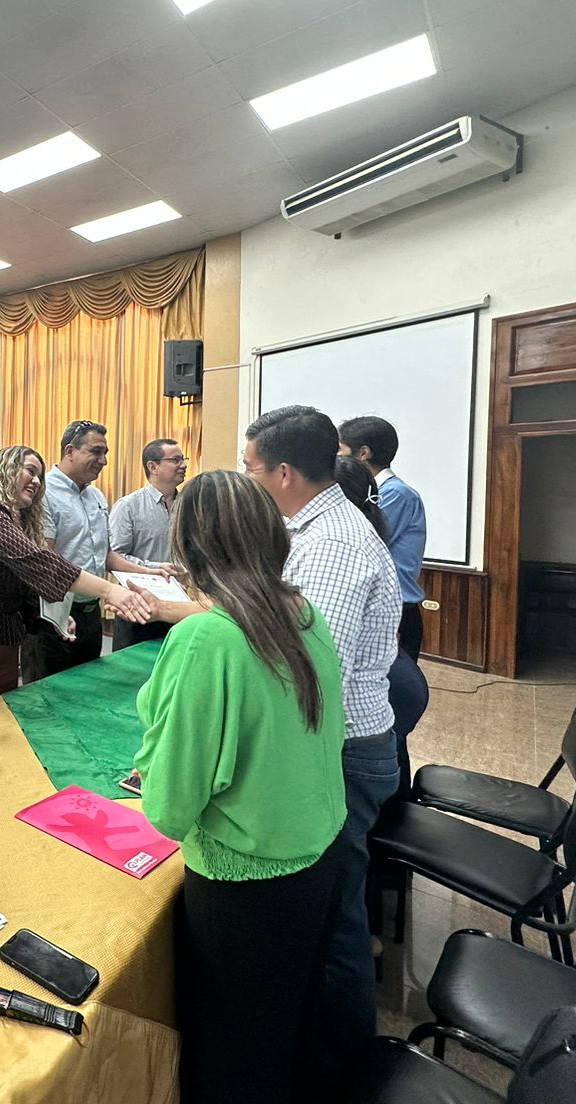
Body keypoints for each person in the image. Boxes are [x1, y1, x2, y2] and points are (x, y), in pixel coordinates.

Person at [134, 472, 348, 1104]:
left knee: (230, 1057)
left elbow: (169, 807)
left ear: (189, 547)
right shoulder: (302, 611)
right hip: (318, 857)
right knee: (283, 1029)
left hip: (246, 888)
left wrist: (154, 747)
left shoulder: (206, 637)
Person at [242, 405, 401, 1081]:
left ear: (283, 472)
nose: (247, 480)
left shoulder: (333, 544)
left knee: (337, 916)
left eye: (251, 468)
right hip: (342, 743)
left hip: (344, 752)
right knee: (332, 906)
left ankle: (341, 1068)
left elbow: (309, 664)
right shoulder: (310, 527)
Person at [0, 445, 153, 713]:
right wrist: (110, 591)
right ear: (5, 470)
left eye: (39, 477)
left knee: (1, 719)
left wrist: (56, 615)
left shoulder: (12, 521)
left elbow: (23, 586)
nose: (35, 481)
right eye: (30, 471)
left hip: (3, 640)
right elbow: (41, 563)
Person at [23, 421, 157, 682]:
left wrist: (150, 572)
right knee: (46, 694)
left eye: (105, 453)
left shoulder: (96, 496)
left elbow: (106, 556)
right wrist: (66, 611)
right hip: (55, 613)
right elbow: (46, 561)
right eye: (96, 452)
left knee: (87, 690)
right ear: (70, 451)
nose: (103, 460)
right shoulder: (43, 493)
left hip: (91, 613)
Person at [339, 416, 428, 662]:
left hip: (396, 611)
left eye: (340, 450)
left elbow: (360, 544)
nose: (335, 459)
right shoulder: (373, 492)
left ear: (363, 453)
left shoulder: (395, 494)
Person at [108, 437, 186, 649]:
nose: (183, 465)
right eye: (176, 460)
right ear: (153, 467)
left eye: (183, 459)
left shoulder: (188, 506)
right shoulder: (128, 506)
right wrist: (156, 568)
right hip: (138, 607)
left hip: (178, 606)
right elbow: (115, 557)